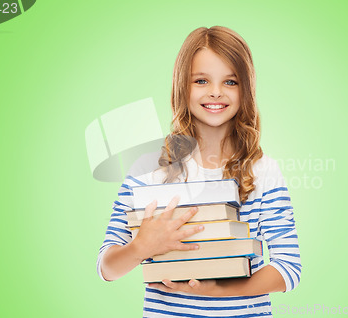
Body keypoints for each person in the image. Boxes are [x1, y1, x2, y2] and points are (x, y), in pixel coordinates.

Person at [97, 26, 301, 317]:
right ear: (182, 86)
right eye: (201, 80)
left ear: (246, 89)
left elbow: (289, 267)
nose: (216, 92)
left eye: (230, 82)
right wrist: (141, 246)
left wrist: (218, 290)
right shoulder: (147, 169)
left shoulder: (263, 171)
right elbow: (107, 268)